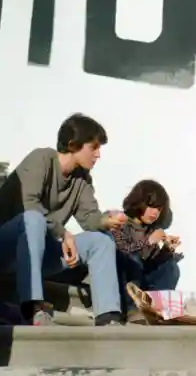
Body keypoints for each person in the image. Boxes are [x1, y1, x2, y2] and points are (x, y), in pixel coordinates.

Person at [0, 113, 126, 326]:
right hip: (7, 248)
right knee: (33, 219)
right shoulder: (41, 159)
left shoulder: (82, 178)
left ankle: (108, 317)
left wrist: (106, 220)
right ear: (73, 144)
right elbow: (28, 203)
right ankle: (33, 306)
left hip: (38, 254)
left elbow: (89, 218)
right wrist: (63, 233)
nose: (98, 155)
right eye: (94, 147)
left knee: (101, 241)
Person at [111, 179, 180, 318]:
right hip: (124, 284)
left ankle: (158, 309)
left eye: (159, 209)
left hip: (143, 283)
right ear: (139, 202)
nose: (155, 213)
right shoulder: (121, 222)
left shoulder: (150, 229)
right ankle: (132, 310)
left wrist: (166, 250)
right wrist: (148, 241)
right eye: (151, 206)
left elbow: (151, 264)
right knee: (132, 259)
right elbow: (122, 251)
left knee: (170, 266)